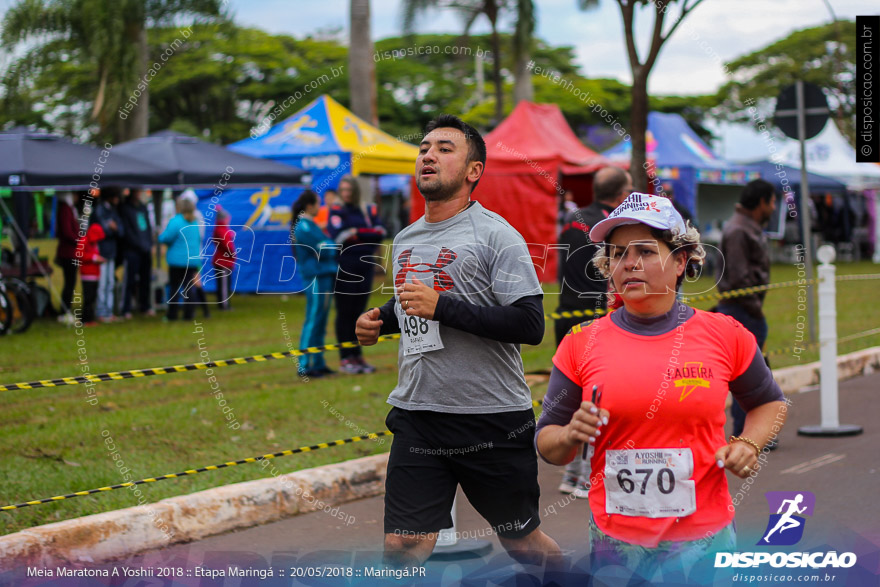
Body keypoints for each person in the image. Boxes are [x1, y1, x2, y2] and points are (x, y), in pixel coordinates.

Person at [535, 192, 788, 581]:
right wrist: (570, 434)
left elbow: (770, 403)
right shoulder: (580, 342)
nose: (629, 264)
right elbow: (547, 442)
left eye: (645, 251)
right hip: (615, 545)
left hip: (705, 542)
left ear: (681, 261)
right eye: (618, 254)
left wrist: (748, 443)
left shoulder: (724, 334)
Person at [355, 114, 562, 571]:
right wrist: (380, 320)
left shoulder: (496, 236)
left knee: (524, 544)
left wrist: (442, 306)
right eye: (424, 148)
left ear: (473, 172)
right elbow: (414, 306)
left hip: (490, 418)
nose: (428, 155)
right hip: (419, 415)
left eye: (445, 148)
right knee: (402, 546)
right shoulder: (406, 238)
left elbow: (530, 325)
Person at [555, 166, 632, 498]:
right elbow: (605, 279)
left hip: (565, 315)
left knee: (575, 397)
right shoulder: (607, 229)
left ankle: (572, 475)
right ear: (620, 196)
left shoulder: (572, 220)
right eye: (628, 192)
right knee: (599, 399)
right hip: (594, 317)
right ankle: (586, 475)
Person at [717, 179, 777, 438]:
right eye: (772, 202)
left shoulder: (746, 226)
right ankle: (746, 434)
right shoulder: (739, 230)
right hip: (741, 312)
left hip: (745, 311)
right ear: (761, 202)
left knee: (754, 374)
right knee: (746, 378)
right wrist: (756, 311)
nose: (774, 208)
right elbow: (740, 280)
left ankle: (753, 432)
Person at [328, 176, 386, 374]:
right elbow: (339, 236)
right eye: (342, 190)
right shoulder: (336, 211)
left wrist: (356, 233)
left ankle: (358, 355)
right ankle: (346, 358)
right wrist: (364, 234)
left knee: (360, 313)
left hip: (365, 266)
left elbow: (379, 233)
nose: (346, 194)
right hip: (345, 267)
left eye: (349, 190)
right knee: (345, 313)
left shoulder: (367, 210)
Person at [292, 190, 337, 377]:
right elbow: (326, 249)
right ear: (309, 206)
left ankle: (318, 361)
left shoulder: (312, 225)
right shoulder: (304, 227)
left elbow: (326, 245)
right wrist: (331, 245)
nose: (320, 207)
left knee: (322, 319)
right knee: (313, 317)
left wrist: (329, 245)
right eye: (318, 203)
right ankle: (305, 363)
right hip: (315, 277)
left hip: (324, 275)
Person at [159, 197, 201, 321]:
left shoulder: (176, 221)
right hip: (191, 260)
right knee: (189, 288)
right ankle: (189, 314)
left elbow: (166, 238)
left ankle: (172, 315)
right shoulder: (194, 222)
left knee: (174, 287)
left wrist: (159, 235)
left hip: (177, 261)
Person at [119, 188, 155, 318]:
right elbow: (127, 231)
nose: (139, 194)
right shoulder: (126, 208)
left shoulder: (142, 207)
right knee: (130, 280)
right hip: (132, 250)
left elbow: (148, 226)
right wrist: (138, 244)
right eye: (137, 191)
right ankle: (126, 308)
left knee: (146, 279)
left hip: (145, 249)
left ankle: (145, 306)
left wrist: (150, 243)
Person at [92, 187, 124, 322]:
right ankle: (101, 311)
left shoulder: (113, 211)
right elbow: (101, 232)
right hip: (102, 252)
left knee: (110, 282)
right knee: (103, 283)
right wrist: (112, 228)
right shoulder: (100, 210)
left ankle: (109, 311)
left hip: (111, 251)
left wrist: (114, 228)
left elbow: (121, 231)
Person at [55, 191, 81, 324]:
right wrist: (79, 240)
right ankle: (64, 311)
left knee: (71, 283)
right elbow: (66, 231)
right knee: (69, 283)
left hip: (72, 251)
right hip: (68, 252)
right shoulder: (65, 209)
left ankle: (65, 310)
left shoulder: (70, 209)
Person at [77, 218, 106, 326]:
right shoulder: (84, 241)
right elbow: (79, 255)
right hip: (87, 275)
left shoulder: (95, 244)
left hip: (95, 274)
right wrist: (94, 258)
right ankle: (85, 319)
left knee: (93, 297)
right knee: (88, 298)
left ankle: (90, 318)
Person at [210, 207, 236, 311]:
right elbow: (227, 245)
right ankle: (224, 305)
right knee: (224, 285)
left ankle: (223, 303)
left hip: (222, 260)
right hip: (224, 262)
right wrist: (233, 254)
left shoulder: (220, 229)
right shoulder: (222, 229)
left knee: (223, 284)